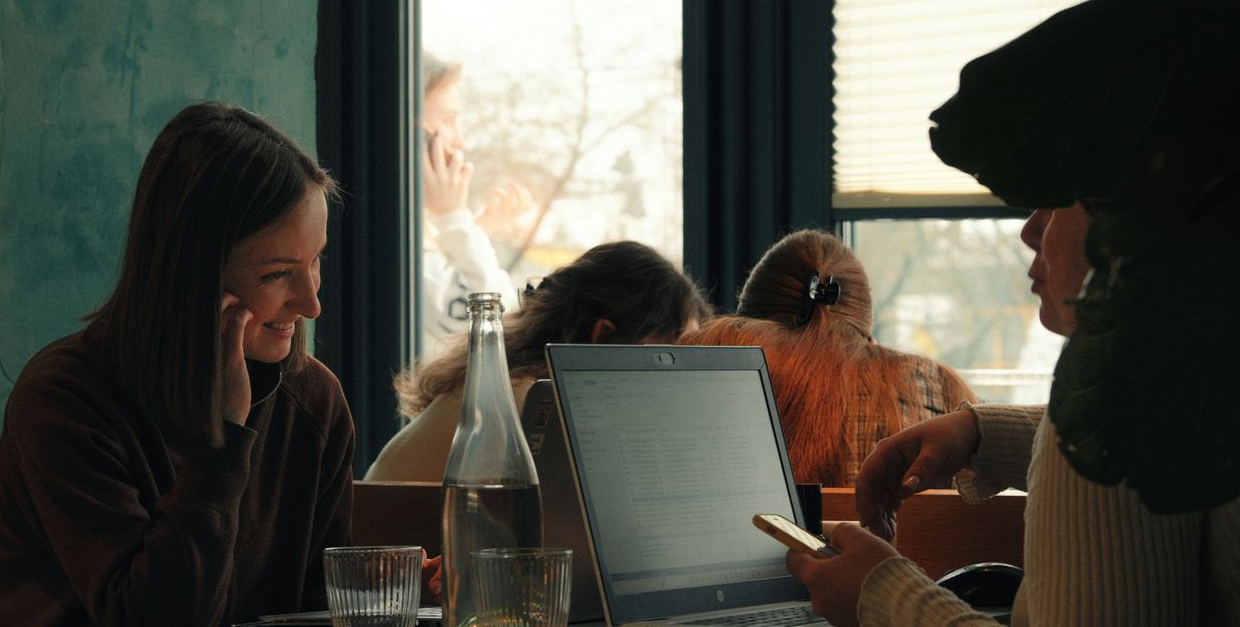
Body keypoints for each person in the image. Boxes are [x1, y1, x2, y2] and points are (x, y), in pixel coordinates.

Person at [0, 103, 356, 626]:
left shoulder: (312, 403)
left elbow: (314, 608)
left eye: (315, 262)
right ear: (193, 275)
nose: (310, 304)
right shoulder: (63, 400)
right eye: (278, 274)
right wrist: (221, 444)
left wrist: (394, 593)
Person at [784, 204, 1240, 625]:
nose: (1030, 229)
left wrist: (881, 594)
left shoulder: (1122, 378)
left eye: (1061, 195)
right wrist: (982, 434)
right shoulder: (1198, 365)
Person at [365, 240, 713, 482]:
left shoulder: (507, 384)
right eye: (667, 352)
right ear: (602, 336)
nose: (673, 374)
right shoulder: (530, 404)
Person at [679, 230, 975, 486]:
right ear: (868, 340)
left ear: (749, 318)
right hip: (899, 551)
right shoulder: (934, 383)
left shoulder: (712, 359)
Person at [420, 50, 533, 352]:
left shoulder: (420, 228)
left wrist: (474, 229)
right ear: (417, 135)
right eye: (448, 121)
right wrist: (454, 219)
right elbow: (489, 325)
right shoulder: (395, 231)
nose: (459, 141)